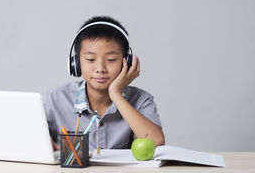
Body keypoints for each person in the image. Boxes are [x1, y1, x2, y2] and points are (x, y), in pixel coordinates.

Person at [43, 16, 165, 151]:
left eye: (111, 60)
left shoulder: (141, 100)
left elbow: (156, 141)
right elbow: (23, 136)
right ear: (76, 63)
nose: (100, 68)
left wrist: (116, 94)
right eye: (90, 59)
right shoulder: (54, 100)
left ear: (127, 62)